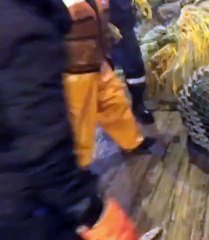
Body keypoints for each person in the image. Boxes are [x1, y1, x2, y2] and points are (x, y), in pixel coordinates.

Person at [0, 0, 141, 239]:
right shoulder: (21, 30)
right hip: (25, 205)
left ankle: (133, 141)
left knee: (112, 103)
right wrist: (88, 208)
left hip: (95, 63)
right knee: (80, 124)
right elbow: (41, 139)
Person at [63, 0, 162, 168]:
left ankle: (131, 142)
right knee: (80, 118)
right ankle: (78, 166)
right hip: (74, 68)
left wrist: (106, 28)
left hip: (97, 59)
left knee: (113, 101)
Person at [110, 0, 155, 124]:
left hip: (124, 21)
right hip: (97, 27)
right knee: (105, 72)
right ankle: (112, 114)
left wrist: (141, 2)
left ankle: (138, 104)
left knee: (135, 65)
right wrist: (103, 24)